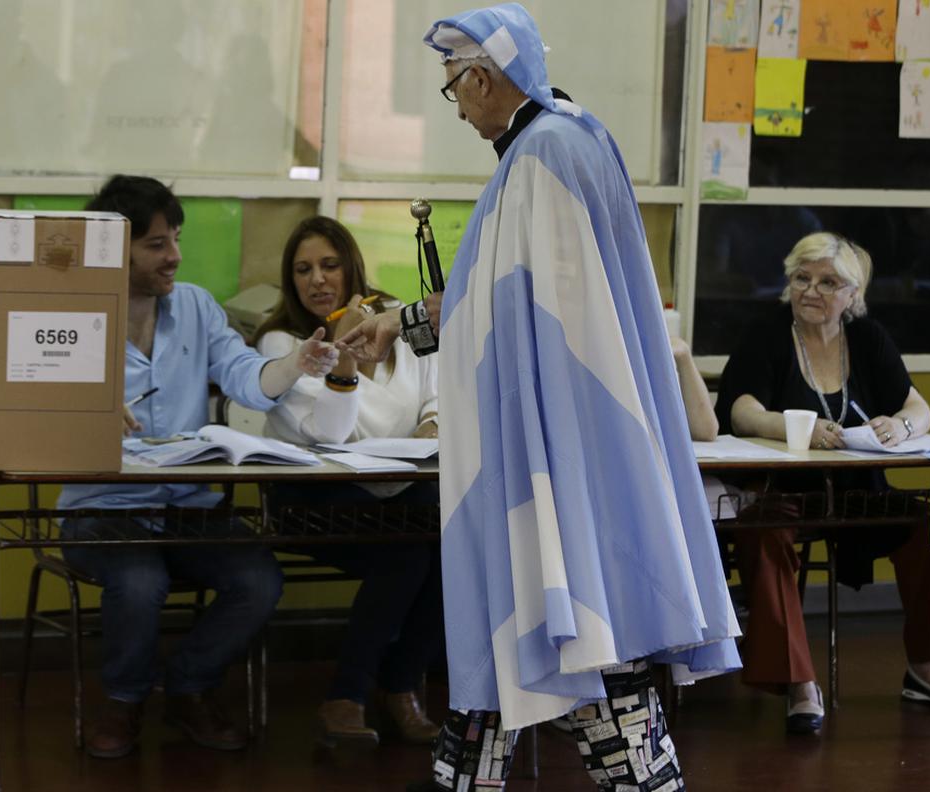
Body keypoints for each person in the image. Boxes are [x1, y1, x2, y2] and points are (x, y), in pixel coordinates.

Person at [338, 5, 741, 790]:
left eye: (455, 89)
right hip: (579, 445)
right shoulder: (573, 132)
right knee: (514, 657)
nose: (457, 109)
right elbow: (506, 295)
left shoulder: (540, 156)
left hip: (555, 460)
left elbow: (519, 313)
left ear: (483, 78)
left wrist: (410, 324)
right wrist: (401, 321)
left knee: (578, 648)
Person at [55, 175, 338, 759]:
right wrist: (82, 409)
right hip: (100, 511)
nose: (175, 256)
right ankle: (124, 702)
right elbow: (29, 402)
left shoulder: (195, 305)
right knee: (139, 582)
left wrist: (294, 364)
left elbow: (244, 377)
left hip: (188, 506)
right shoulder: (71, 316)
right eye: (157, 244)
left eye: (176, 238)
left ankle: (188, 687)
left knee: (258, 579)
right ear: (116, 248)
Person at [713, 231, 930, 735]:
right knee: (763, 534)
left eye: (828, 281)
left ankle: (925, 667)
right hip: (785, 492)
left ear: (852, 296)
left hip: (860, 491)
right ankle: (799, 683)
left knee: (923, 524)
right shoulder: (767, 333)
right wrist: (800, 428)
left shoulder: (869, 338)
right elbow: (742, 411)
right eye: (801, 278)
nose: (811, 290)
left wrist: (901, 427)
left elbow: (917, 407)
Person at [251, 216, 444, 746]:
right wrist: (342, 355)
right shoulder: (282, 343)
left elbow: (438, 388)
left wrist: (433, 424)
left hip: (403, 493)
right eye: (303, 270)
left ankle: (397, 686)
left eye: (329, 265)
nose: (317, 280)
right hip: (314, 495)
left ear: (351, 267)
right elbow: (334, 435)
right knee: (407, 552)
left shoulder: (396, 326)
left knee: (452, 545)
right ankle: (356, 693)